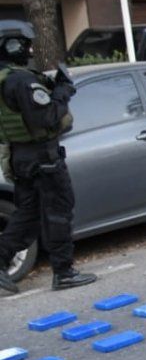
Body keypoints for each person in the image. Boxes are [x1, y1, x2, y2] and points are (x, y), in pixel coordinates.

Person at [0, 21, 95, 293]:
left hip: (20, 156)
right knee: (59, 211)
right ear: (12, 45)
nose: (29, 49)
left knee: (27, 214)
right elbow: (47, 118)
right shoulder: (21, 80)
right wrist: (63, 91)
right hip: (43, 157)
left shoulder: (5, 78)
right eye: (25, 43)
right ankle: (64, 272)